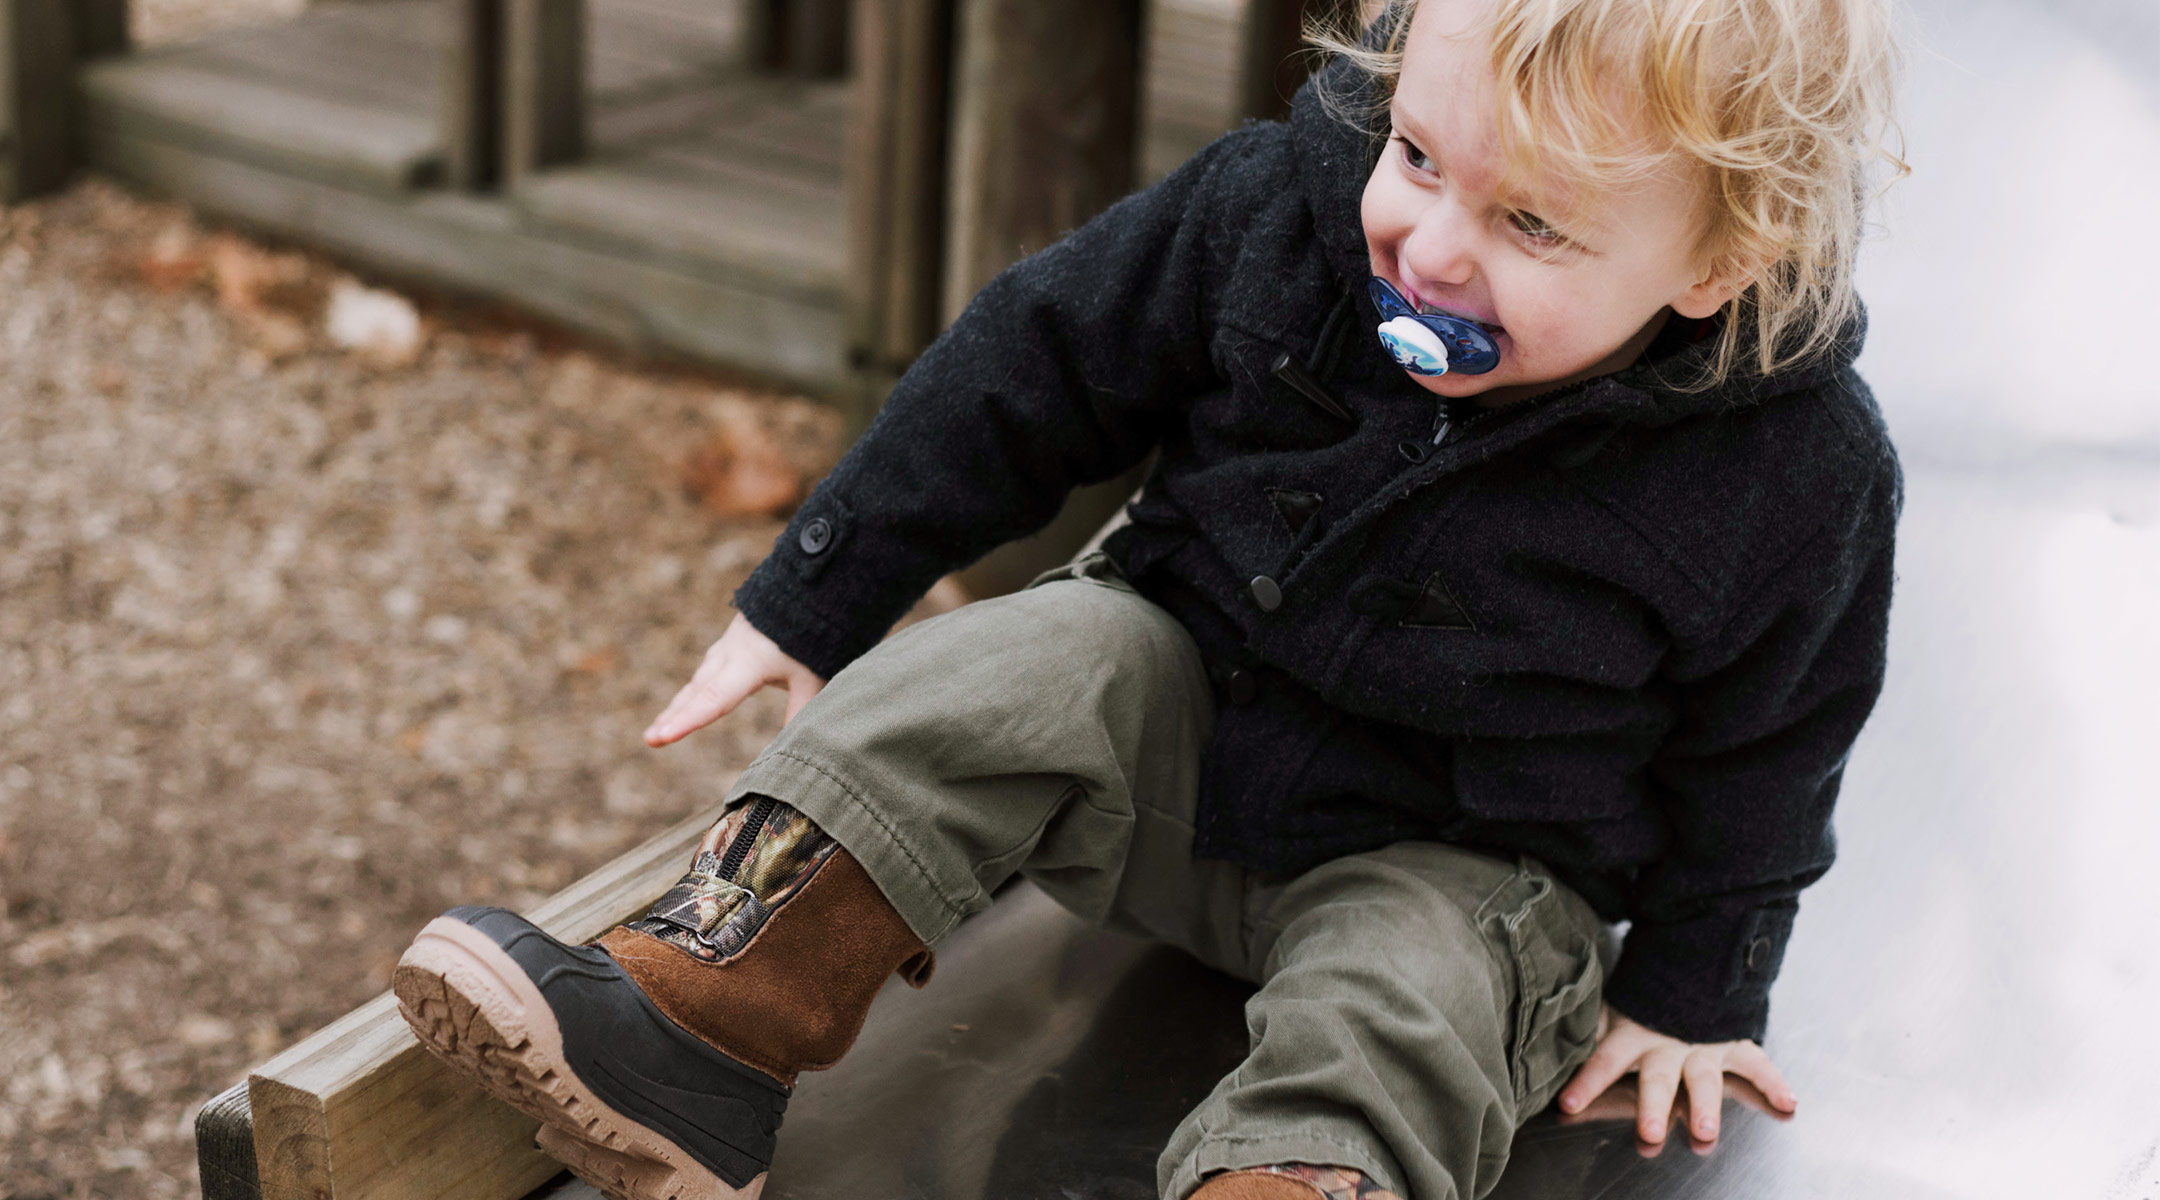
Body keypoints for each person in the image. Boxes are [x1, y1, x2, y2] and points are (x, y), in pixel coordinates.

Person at [391, 0, 1906, 1196]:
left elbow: (1776, 739)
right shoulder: (1278, 211)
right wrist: (821, 588)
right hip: (1173, 767)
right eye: (1425, 157)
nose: (1431, 248)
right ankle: (703, 1027)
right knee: (1033, 658)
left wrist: (1699, 989)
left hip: (1463, 863)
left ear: (1722, 260)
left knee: (1415, 995)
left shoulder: (1795, 476)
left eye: (1534, 228)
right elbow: (1033, 362)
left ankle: (1289, 1180)